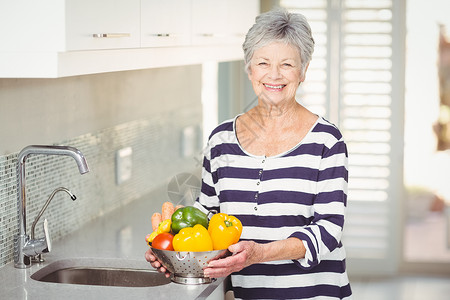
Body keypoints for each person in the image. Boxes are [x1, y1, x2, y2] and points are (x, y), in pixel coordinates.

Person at [146, 8, 352, 300]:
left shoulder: (327, 141)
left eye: (287, 64)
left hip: (314, 294)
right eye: (263, 62)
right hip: (248, 294)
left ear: (303, 70)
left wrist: (260, 253)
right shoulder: (221, 140)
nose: (274, 75)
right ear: (249, 68)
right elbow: (206, 218)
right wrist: (174, 254)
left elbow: (329, 230)